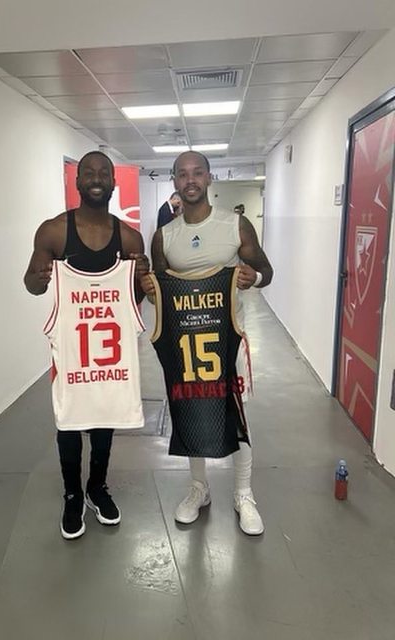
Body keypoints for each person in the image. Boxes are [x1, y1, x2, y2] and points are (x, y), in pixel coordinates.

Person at [142, 151, 273, 535]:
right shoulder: (164, 236)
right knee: (190, 410)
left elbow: (266, 271)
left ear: (209, 177)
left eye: (197, 172)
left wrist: (253, 278)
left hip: (230, 340)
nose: (190, 180)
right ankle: (199, 488)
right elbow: (160, 293)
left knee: (236, 414)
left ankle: (243, 493)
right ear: (174, 181)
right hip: (186, 344)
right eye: (182, 174)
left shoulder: (235, 225)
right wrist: (148, 288)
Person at [24, 150, 149, 540]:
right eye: (89, 173)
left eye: (104, 173)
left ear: (113, 182)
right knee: (69, 421)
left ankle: (97, 486)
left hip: (109, 354)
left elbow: (132, 301)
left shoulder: (129, 237)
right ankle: (72, 493)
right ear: (77, 182)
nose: (96, 178)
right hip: (72, 349)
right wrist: (38, 279)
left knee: (104, 418)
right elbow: (31, 284)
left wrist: (141, 277)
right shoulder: (53, 232)